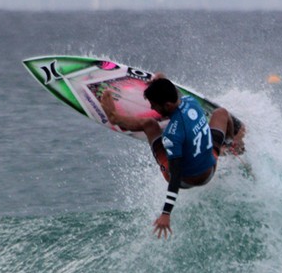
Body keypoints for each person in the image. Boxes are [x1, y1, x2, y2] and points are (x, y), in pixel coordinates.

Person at [100, 75, 244, 239]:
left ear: (167, 105)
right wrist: (161, 81)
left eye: (154, 105)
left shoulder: (172, 136)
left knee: (149, 124)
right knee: (221, 113)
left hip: (188, 179)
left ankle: (114, 117)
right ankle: (232, 144)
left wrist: (166, 213)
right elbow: (174, 93)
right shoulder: (191, 102)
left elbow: (175, 175)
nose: (152, 108)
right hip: (211, 163)